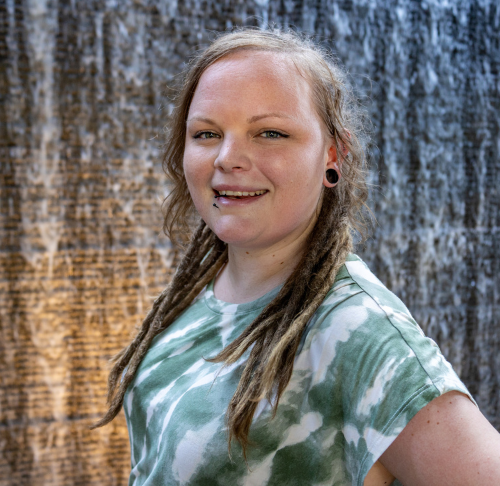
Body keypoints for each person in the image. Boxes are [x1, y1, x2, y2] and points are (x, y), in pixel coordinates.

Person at [92, 28, 500, 485]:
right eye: (207, 133)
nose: (228, 158)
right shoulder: (206, 288)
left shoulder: (356, 330)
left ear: (333, 155)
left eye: (270, 133)